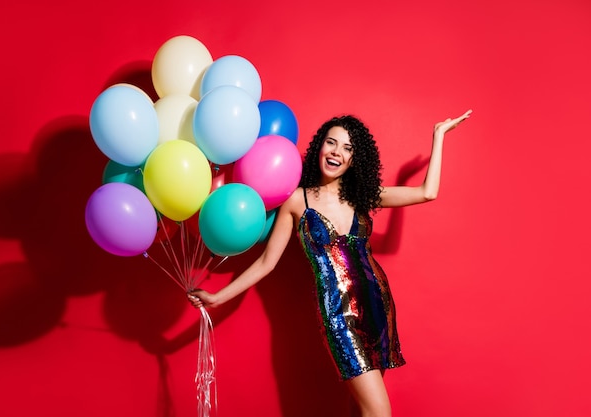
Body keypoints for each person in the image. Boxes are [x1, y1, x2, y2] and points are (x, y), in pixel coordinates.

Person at [188, 109, 472, 417]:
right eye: (331, 142)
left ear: (354, 159)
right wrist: (217, 298)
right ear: (319, 147)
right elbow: (267, 262)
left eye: (347, 148)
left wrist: (438, 136)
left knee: (360, 409)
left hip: (378, 306)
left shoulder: (363, 196)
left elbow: (427, 193)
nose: (337, 152)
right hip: (339, 316)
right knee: (379, 412)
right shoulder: (298, 200)